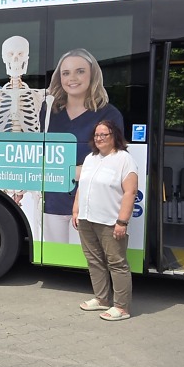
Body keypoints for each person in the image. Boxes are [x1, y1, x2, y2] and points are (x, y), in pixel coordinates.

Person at [42, 48, 124, 243]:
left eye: (80, 71)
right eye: (66, 73)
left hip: (92, 205)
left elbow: (114, 162)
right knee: (55, 255)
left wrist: (70, 172)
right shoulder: (47, 113)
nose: (72, 78)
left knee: (86, 257)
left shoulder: (109, 115)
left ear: (92, 75)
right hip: (52, 202)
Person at [73, 120, 137, 321]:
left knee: (117, 263)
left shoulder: (124, 159)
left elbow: (130, 192)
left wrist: (122, 222)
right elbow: (82, 186)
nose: (99, 138)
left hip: (110, 221)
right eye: (96, 135)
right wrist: (76, 210)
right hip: (86, 219)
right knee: (94, 260)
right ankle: (101, 299)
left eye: (104, 134)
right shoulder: (90, 158)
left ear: (114, 136)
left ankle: (122, 307)